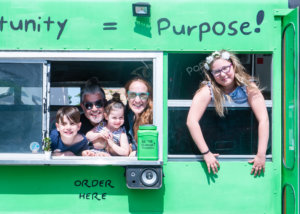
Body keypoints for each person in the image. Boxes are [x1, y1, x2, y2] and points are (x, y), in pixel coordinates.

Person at [186, 50, 269, 176]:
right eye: (217, 71)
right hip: (216, 145)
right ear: (212, 74)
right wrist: (206, 153)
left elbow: (263, 119)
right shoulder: (207, 90)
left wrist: (261, 154)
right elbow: (191, 121)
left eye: (225, 68)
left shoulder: (248, 87)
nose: (223, 74)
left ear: (233, 66)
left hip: (245, 145)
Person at [124, 77, 153, 156]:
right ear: (127, 96)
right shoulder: (129, 116)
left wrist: (136, 153)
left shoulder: (153, 119)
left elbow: (150, 151)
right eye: (132, 95)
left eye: (143, 95)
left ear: (148, 98)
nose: (137, 100)